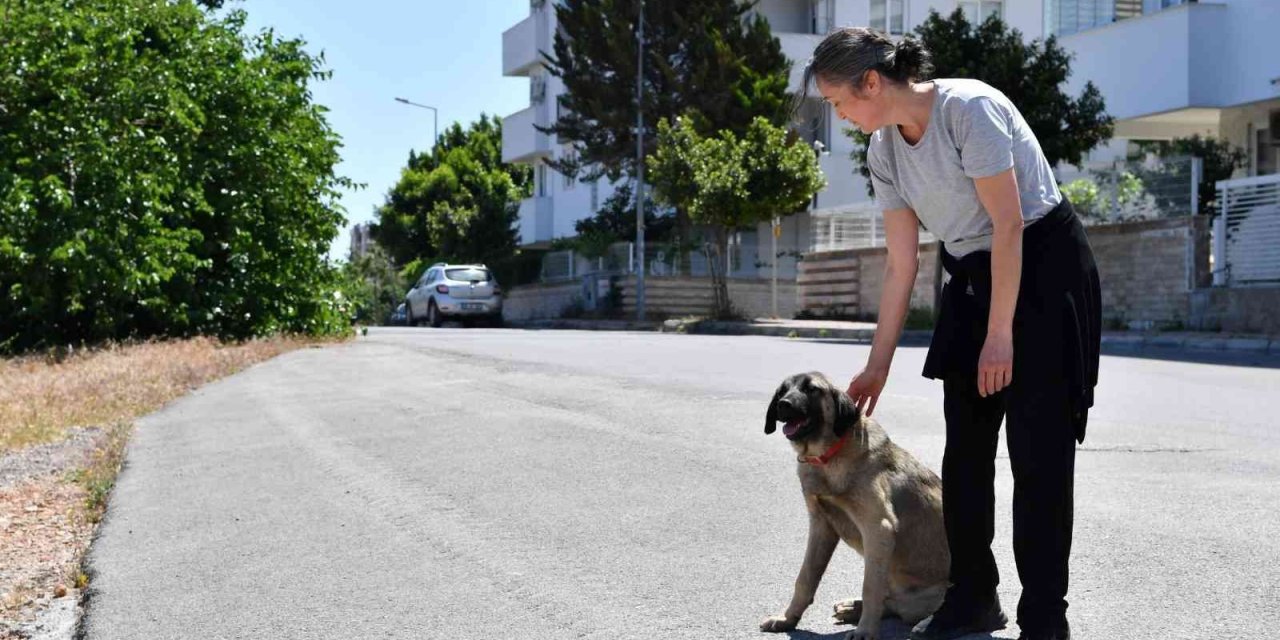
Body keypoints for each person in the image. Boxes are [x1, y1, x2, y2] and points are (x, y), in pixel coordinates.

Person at [799, 28, 1102, 640]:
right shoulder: (883, 150)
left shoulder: (969, 110)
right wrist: (878, 364)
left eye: (838, 102)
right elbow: (901, 263)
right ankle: (973, 597)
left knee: (1038, 456)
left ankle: (1046, 617)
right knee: (965, 457)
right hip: (970, 274)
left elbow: (1011, 224)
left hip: (1041, 267)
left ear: (872, 83)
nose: (838, 116)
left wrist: (1001, 336)